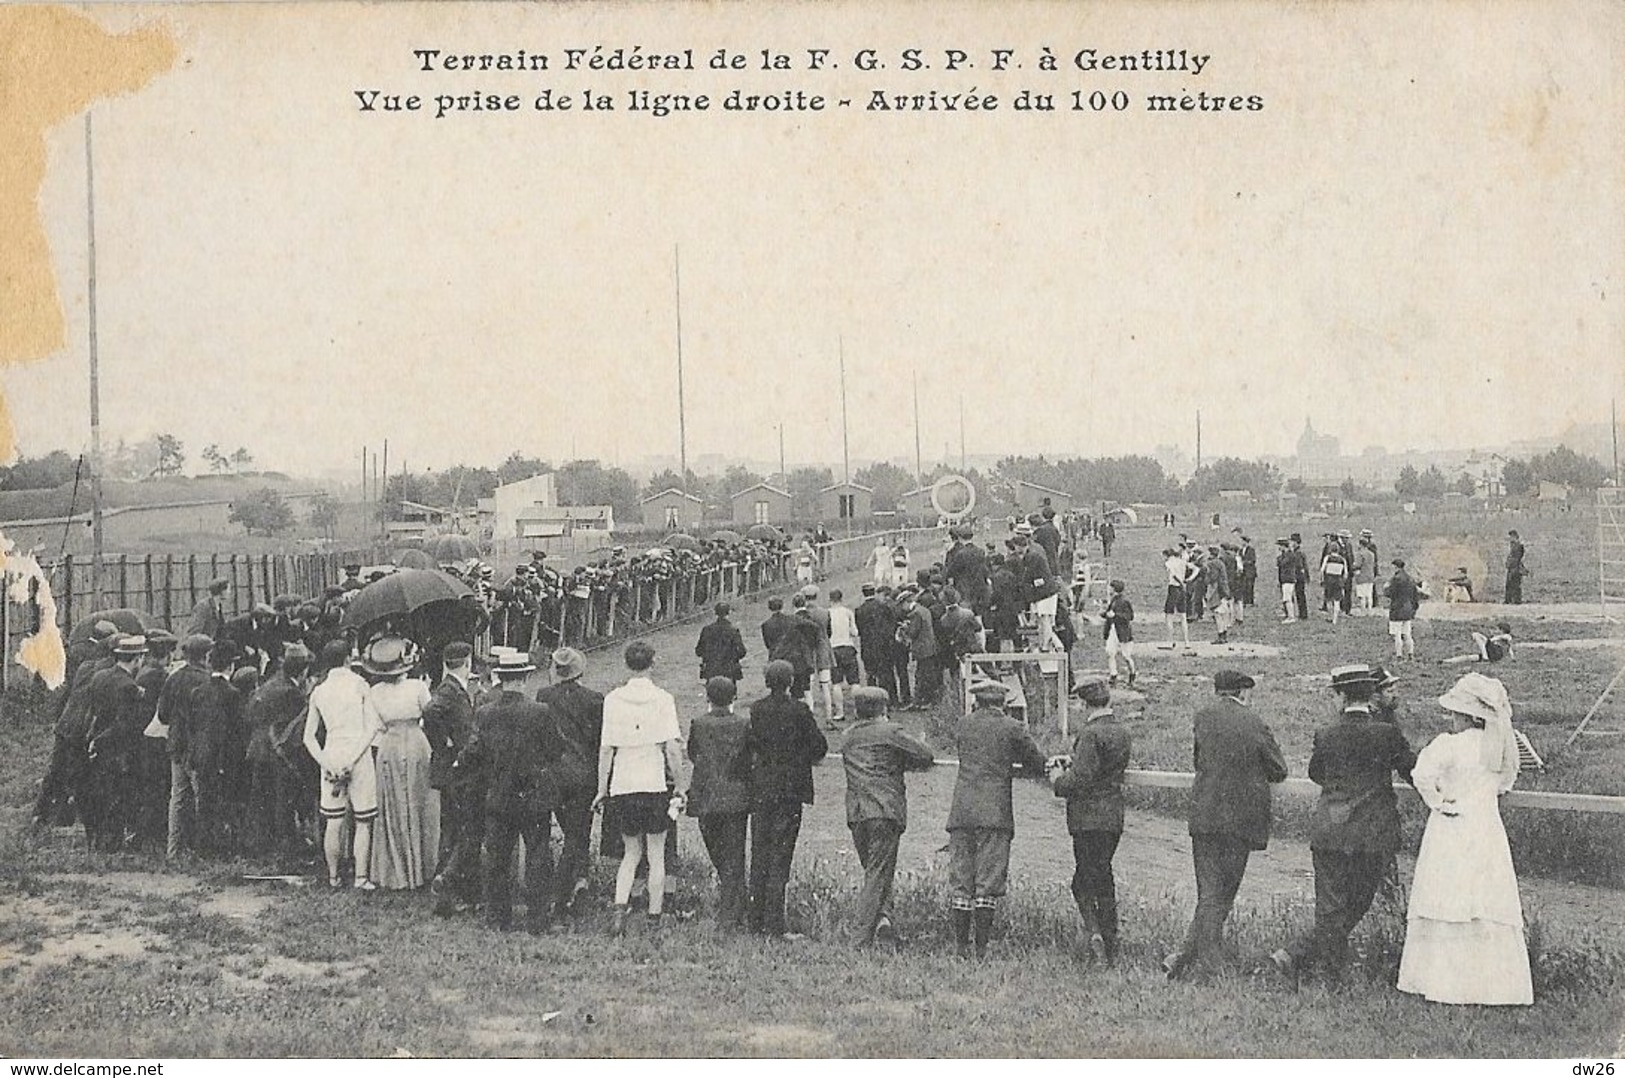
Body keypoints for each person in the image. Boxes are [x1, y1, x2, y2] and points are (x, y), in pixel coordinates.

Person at [1269, 665, 1416, 984]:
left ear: (1340, 696)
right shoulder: (1386, 733)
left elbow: (1316, 774)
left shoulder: (1326, 733)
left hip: (1331, 828)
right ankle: (1308, 960)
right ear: (1371, 695)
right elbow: (1411, 770)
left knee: (1331, 904)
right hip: (1373, 832)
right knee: (1360, 900)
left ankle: (1316, 966)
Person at [1397, 672, 1533, 1005]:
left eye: (1456, 713)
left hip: (1451, 826)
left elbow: (1421, 776)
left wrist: (1440, 801)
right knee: (1484, 898)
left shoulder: (1449, 744)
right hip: (1485, 827)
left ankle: (1442, 981)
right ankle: (1494, 986)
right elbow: (1503, 785)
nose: (1452, 719)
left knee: (1448, 894)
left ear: (1471, 715)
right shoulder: (1499, 747)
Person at [1165, 670, 1287, 980]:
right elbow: (1279, 770)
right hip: (1241, 819)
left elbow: (1198, 761)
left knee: (1209, 892)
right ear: (1244, 692)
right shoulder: (1254, 722)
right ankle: (1213, 968)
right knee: (1223, 893)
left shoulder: (1203, 717)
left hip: (1205, 813)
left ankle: (1182, 960)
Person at [461, 651, 566, 933]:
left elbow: (475, 753)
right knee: (537, 857)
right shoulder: (539, 712)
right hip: (532, 796)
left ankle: (498, 918)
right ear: (525, 677)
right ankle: (538, 919)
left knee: (496, 858)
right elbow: (556, 750)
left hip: (499, 795)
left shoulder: (485, 713)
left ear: (502, 678)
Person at [947, 679, 1046, 957]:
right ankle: (981, 948)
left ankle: (959, 946)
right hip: (995, 812)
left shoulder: (963, 725)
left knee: (962, 880)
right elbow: (1036, 763)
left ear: (977, 701)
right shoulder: (1013, 728)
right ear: (1003, 703)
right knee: (988, 882)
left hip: (962, 810)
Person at [595, 642, 687, 935]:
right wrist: (680, 786)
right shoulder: (663, 699)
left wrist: (601, 789)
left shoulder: (612, 699)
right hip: (653, 784)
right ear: (653, 663)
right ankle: (654, 917)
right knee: (656, 854)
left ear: (626, 664)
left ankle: (619, 913)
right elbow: (672, 749)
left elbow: (606, 750)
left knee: (630, 852)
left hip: (623, 784)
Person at [840, 686, 934, 948]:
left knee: (876, 872)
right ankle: (859, 939)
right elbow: (925, 755)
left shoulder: (848, 736)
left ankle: (885, 923)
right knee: (878, 874)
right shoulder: (890, 731)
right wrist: (920, 742)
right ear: (883, 709)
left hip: (857, 812)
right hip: (885, 810)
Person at [741, 659, 828, 937]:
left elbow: (752, 743)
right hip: (790, 789)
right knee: (781, 855)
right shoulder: (799, 710)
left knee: (760, 853)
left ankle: (755, 920)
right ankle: (775, 924)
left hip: (763, 788)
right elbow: (818, 745)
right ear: (790, 681)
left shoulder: (757, 709)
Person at [1050, 674, 1131, 965]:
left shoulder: (1089, 734)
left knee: (1082, 882)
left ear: (1084, 703)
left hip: (1087, 819)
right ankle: (1111, 939)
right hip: (1112, 816)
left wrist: (1058, 778)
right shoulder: (1121, 731)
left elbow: (1081, 780)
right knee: (1103, 876)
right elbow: (1101, 768)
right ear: (1107, 700)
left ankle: (1095, 933)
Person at [304, 639, 384, 890]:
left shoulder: (319, 691)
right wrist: (354, 758)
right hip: (357, 753)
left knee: (334, 820)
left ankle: (333, 876)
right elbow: (372, 726)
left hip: (332, 752)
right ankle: (361, 877)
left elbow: (308, 737)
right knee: (363, 819)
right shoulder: (360, 685)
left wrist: (326, 763)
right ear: (348, 659)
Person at [363, 636, 440, 890]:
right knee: (419, 803)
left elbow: (375, 726)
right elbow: (429, 716)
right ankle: (421, 867)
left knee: (393, 805)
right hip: (415, 744)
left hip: (388, 746)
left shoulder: (374, 693)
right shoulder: (418, 687)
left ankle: (395, 868)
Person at [535, 647, 604, 918]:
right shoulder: (594, 699)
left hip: (552, 775)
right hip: (582, 776)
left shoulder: (544, 696)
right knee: (578, 834)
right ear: (581, 672)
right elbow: (598, 741)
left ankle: (573, 881)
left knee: (561, 834)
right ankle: (568, 890)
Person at [686, 676, 751, 931]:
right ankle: (735, 907)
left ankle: (730, 913)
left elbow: (693, 754)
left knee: (719, 852)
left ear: (708, 698)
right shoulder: (744, 724)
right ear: (734, 698)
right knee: (734, 854)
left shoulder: (699, 724)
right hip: (736, 796)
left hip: (707, 796)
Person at [79, 634, 151, 851]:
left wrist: (92, 738)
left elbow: (92, 711)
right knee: (117, 795)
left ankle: (95, 839)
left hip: (94, 742)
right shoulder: (128, 686)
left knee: (97, 793)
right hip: (116, 748)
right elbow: (124, 724)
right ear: (137, 659)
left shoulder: (99, 676)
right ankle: (111, 843)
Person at [424, 641, 478, 915]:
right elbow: (429, 712)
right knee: (461, 828)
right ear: (467, 662)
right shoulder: (449, 690)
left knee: (454, 828)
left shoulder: (453, 687)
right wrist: (443, 745)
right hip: (454, 769)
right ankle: (448, 879)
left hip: (451, 769)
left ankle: (446, 882)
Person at [243, 645, 312, 857]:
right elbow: (297, 729)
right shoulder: (292, 693)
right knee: (283, 800)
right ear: (303, 671)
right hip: (278, 753)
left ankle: (260, 846)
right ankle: (286, 848)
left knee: (261, 800)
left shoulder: (268, 684)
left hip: (258, 750)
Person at [159, 633, 215, 860]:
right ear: (206, 655)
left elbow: (162, 715)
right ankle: (202, 850)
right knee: (203, 797)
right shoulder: (207, 680)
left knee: (178, 798)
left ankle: (173, 850)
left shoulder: (173, 678)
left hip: (177, 744)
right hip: (199, 748)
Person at [854, 583, 896, 700]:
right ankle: (891, 700)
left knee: (871, 674)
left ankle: (872, 701)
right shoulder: (884, 607)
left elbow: (859, 630)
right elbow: (892, 625)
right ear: (874, 592)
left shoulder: (859, 610)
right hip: (884, 646)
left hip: (868, 647)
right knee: (887, 674)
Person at [826, 588, 861, 722]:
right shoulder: (847, 612)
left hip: (834, 649)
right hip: (848, 647)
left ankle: (840, 712)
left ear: (830, 600)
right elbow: (855, 632)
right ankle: (857, 710)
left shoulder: (827, 613)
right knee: (854, 681)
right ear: (841, 599)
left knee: (836, 683)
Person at [695, 601, 747, 685]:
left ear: (715, 613)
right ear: (728, 612)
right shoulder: (733, 630)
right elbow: (742, 652)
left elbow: (699, 651)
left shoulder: (707, 630)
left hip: (711, 670)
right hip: (729, 671)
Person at [1101, 579, 1137, 687]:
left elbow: (1130, 617)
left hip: (1123, 632)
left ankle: (1132, 673)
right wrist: (1104, 614)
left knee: (1126, 655)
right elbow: (1108, 613)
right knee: (1110, 652)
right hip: (1113, 630)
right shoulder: (1113, 600)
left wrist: (1115, 615)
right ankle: (1113, 674)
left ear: (1114, 588)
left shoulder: (1124, 601)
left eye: (1110, 587)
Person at [1384, 558, 1422, 660]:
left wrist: (1386, 587)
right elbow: (1415, 595)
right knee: (1407, 634)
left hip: (1397, 609)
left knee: (1397, 635)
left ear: (1395, 567)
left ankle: (1399, 655)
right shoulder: (1410, 578)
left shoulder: (1395, 579)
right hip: (1408, 608)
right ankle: (1410, 654)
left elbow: (1389, 593)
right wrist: (1414, 608)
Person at [1164, 546, 1192, 647]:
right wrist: (1187, 580)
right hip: (1181, 589)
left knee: (1169, 615)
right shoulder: (1182, 561)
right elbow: (1196, 569)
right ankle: (1186, 641)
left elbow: (1173, 575)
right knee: (1183, 616)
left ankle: (1170, 641)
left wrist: (1180, 582)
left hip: (1174, 588)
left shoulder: (1169, 563)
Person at [1505, 530, 1528, 604]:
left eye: (1511, 537)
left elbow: (1517, 557)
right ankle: (1509, 600)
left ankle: (1516, 600)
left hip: (1515, 567)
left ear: (1515, 536)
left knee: (1515, 584)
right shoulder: (1513, 545)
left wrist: (1511, 564)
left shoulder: (1519, 546)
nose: (1510, 538)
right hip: (1512, 567)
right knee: (1510, 584)